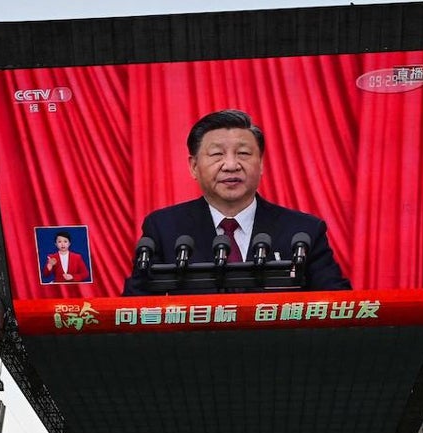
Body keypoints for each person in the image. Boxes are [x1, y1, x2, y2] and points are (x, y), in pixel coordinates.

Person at [124, 109, 350, 295]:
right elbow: (132, 309)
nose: (231, 165)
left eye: (243, 153)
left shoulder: (303, 231)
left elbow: (339, 304)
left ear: (261, 164)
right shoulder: (164, 228)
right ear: (193, 166)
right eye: (216, 155)